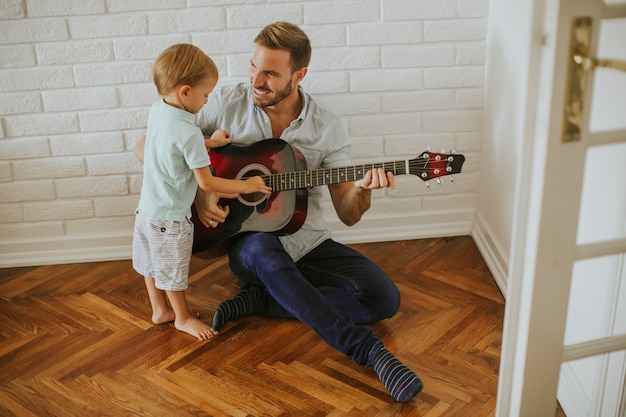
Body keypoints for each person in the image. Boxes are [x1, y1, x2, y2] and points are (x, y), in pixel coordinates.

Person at [136, 23, 423, 402]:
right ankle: (368, 351)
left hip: (309, 242)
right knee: (262, 251)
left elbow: (348, 214)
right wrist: (201, 192)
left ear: (299, 75)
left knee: (385, 299)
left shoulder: (327, 126)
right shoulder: (226, 101)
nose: (256, 80)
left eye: (270, 73)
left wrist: (363, 192)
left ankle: (264, 300)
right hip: (250, 243)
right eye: (254, 67)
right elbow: (147, 146)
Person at [132, 44, 271, 342]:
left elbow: (172, 145)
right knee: (172, 270)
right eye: (206, 94)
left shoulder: (159, 110)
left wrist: (210, 143)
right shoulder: (190, 132)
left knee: (151, 263)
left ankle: (160, 310)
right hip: (171, 218)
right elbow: (207, 183)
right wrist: (247, 186)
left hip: (146, 211)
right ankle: (181, 318)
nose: (208, 101)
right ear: (185, 92)